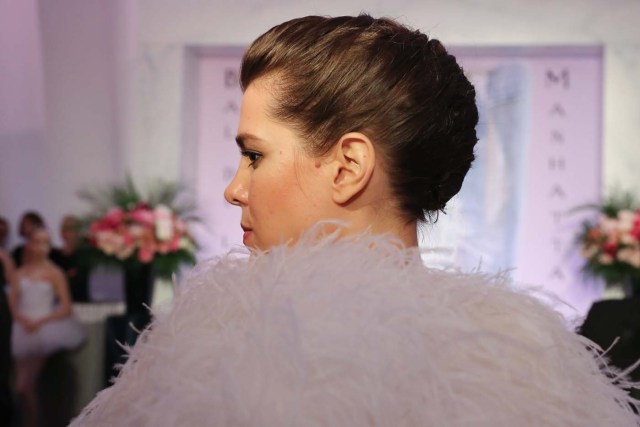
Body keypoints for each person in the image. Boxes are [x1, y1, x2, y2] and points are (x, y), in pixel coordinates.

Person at [71, 15, 640, 426]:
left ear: (348, 165)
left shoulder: (223, 350)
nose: (234, 188)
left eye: (254, 155)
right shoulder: (526, 365)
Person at [9, 228, 85, 427]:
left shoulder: (55, 273)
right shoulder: (19, 273)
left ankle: (33, 422)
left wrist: (41, 321)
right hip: (22, 328)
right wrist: (20, 318)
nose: (40, 247)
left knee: (28, 383)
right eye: (36, 241)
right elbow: (11, 302)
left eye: (45, 242)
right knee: (21, 384)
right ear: (29, 244)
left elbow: (66, 306)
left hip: (43, 328)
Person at [57, 215, 90, 302]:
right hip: (58, 303)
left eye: (73, 230)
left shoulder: (86, 256)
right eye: (66, 229)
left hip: (82, 302)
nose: (70, 233)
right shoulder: (53, 255)